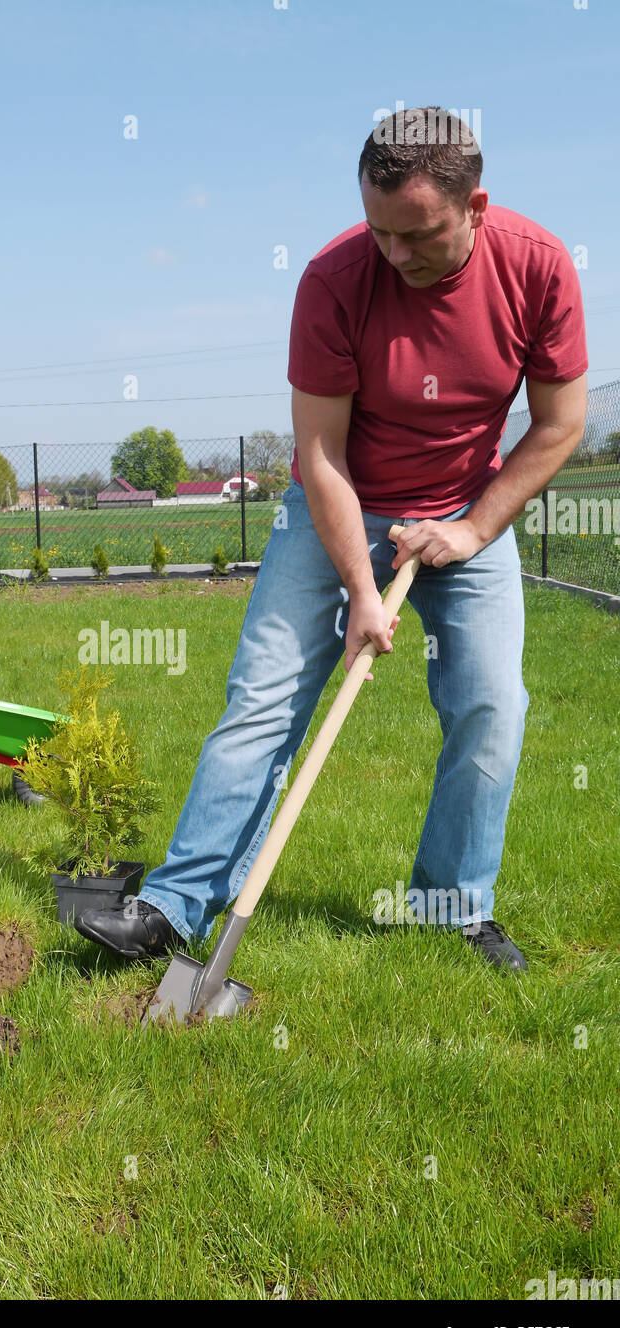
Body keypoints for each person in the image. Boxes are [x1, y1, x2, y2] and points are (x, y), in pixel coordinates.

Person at [77, 106, 588, 974]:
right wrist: (359, 583)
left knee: (491, 705)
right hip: (339, 508)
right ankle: (175, 906)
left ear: (476, 205)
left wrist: (469, 530)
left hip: (468, 511)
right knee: (262, 703)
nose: (393, 254)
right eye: (377, 229)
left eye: (416, 234)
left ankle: (450, 906)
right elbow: (318, 453)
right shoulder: (333, 279)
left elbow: (559, 425)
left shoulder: (536, 269)